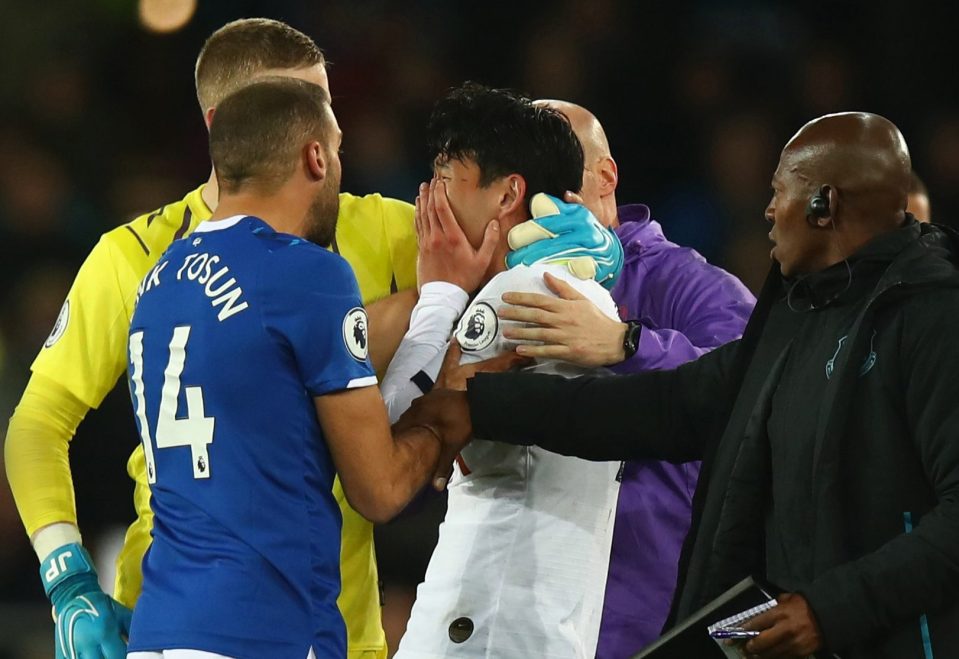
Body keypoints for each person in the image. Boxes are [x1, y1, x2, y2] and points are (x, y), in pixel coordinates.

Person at [405, 112, 959, 659]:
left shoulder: (932, 319)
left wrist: (827, 610)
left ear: (824, 206)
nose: (767, 211)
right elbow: (665, 407)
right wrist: (482, 405)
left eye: (780, 192)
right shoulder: (802, 316)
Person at [4, 18, 427, 659]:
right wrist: (68, 577)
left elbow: (503, 256)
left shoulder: (380, 225)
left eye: (326, 108)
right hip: (191, 610)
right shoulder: (129, 254)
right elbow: (38, 421)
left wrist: (594, 249)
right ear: (224, 125)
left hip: (336, 624)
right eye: (297, 110)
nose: (323, 140)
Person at [124, 77, 458, 659]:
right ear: (314, 155)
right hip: (264, 629)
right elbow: (377, 491)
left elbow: (272, 390)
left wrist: (429, 304)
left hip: (160, 630)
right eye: (337, 152)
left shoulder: (157, 281)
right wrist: (449, 414)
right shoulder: (309, 273)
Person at [503, 100, 755, 655]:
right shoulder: (501, 286)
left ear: (606, 177)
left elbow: (757, 390)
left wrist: (626, 343)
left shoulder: (687, 284)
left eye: (555, 175)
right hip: (520, 615)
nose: (536, 202)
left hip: (640, 619)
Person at [384, 83, 625, 659]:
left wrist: (440, 295)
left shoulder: (520, 294)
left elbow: (388, 437)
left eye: (446, 176)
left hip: (484, 620)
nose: (428, 196)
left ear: (507, 194)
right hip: (533, 618)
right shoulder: (564, 287)